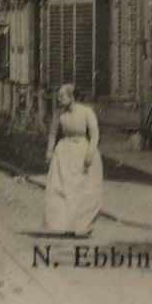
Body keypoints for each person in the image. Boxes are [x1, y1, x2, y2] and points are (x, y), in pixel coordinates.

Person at [44, 84, 102, 237]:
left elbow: (95, 135)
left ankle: (82, 225)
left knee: (82, 190)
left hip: (82, 151)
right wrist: (49, 152)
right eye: (58, 96)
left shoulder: (86, 112)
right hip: (63, 152)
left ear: (72, 97)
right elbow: (52, 135)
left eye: (62, 96)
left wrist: (90, 153)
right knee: (63, 189)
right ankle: (65, 225)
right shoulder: (59, 115)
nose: (58, 98)